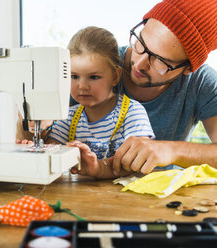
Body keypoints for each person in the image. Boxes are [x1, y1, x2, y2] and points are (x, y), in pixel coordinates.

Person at [68, 0, 217, 178]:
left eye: (160, 61)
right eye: (141, 43)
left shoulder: (201, 83)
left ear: (187, 69)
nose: (139, 64)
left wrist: (170, 150)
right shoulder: (97, 67)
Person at [18, 26, 155, 178]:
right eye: (74, 76)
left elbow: (137, 161)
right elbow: (52, 155)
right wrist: (35, 151)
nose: (82, 86)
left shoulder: (133, 113)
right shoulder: (68, 117)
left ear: (116, 76)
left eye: (94, 77)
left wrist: (100, 168)